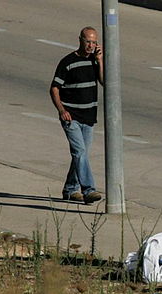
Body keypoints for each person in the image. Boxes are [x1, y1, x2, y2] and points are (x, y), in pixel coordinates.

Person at [50, 27, 104, 204]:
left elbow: (105, 82)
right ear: (80, 40)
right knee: (80, 152)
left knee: (81, 155)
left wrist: (100, 61)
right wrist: (61, 110)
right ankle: (89, 190)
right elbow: (54, 88)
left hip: (88, 117)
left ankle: (70, 189)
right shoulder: (68, 62)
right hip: (71, 116)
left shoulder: (94, 61)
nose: (91, 45)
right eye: (88, 41)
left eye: (94, 42)